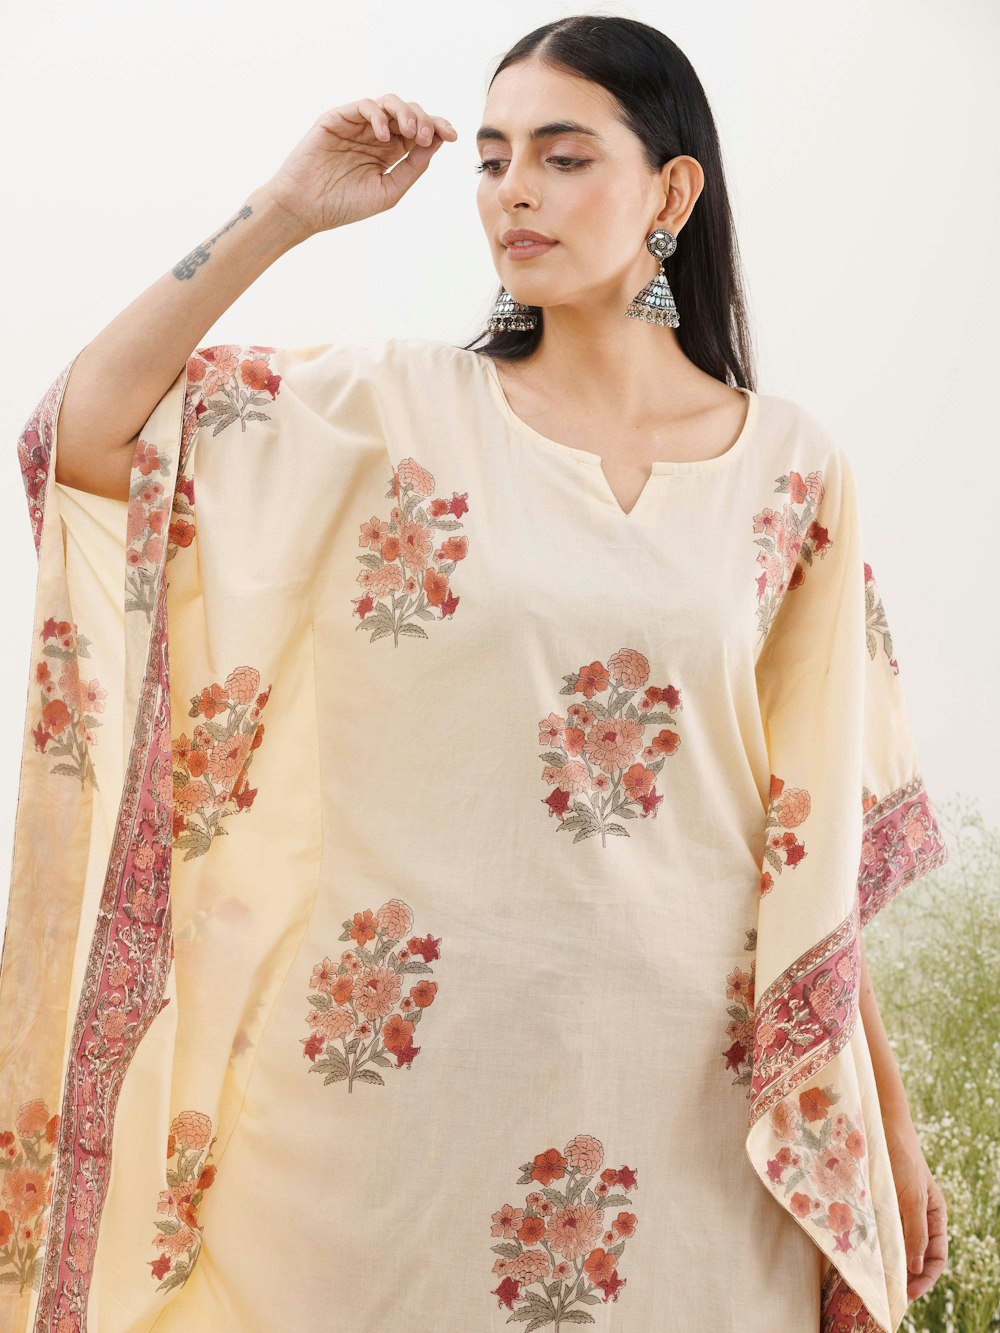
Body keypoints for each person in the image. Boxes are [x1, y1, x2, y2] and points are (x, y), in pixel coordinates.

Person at [3, 15, 949, 1332]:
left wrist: (882, 1122)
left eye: (563, 158)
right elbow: (87, 435)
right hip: (389, 1145)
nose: (514, 190)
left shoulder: (793, 473)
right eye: (495, 157)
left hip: (693, 1144)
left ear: (672, 191)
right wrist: (283, 210)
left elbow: (813, 844)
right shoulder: (385, 413)